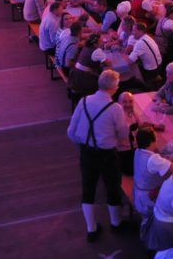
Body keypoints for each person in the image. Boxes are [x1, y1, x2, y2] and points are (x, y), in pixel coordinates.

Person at [67, 70, 130, 242]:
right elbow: (124, 133)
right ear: (114, 88)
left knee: (88, 189)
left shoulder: (84, 101)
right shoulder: (116, 108)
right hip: (107, 155)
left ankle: (91, 229)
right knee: (112, 188)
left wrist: (83, 146)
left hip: (87, 153)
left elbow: (71, 131)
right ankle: (116, 223)